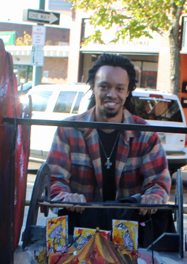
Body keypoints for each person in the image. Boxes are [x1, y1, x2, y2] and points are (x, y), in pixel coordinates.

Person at [46, 54, 172, 241]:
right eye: (104, 87)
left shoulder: (145, 134)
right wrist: (66, 196)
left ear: (128, 91)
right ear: (93, 87)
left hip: (131, 233)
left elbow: (158, 182)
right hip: (80, 232)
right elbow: (54, 180)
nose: (112, 94)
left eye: (119, 88)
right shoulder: (69, 130)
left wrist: (153, 196)